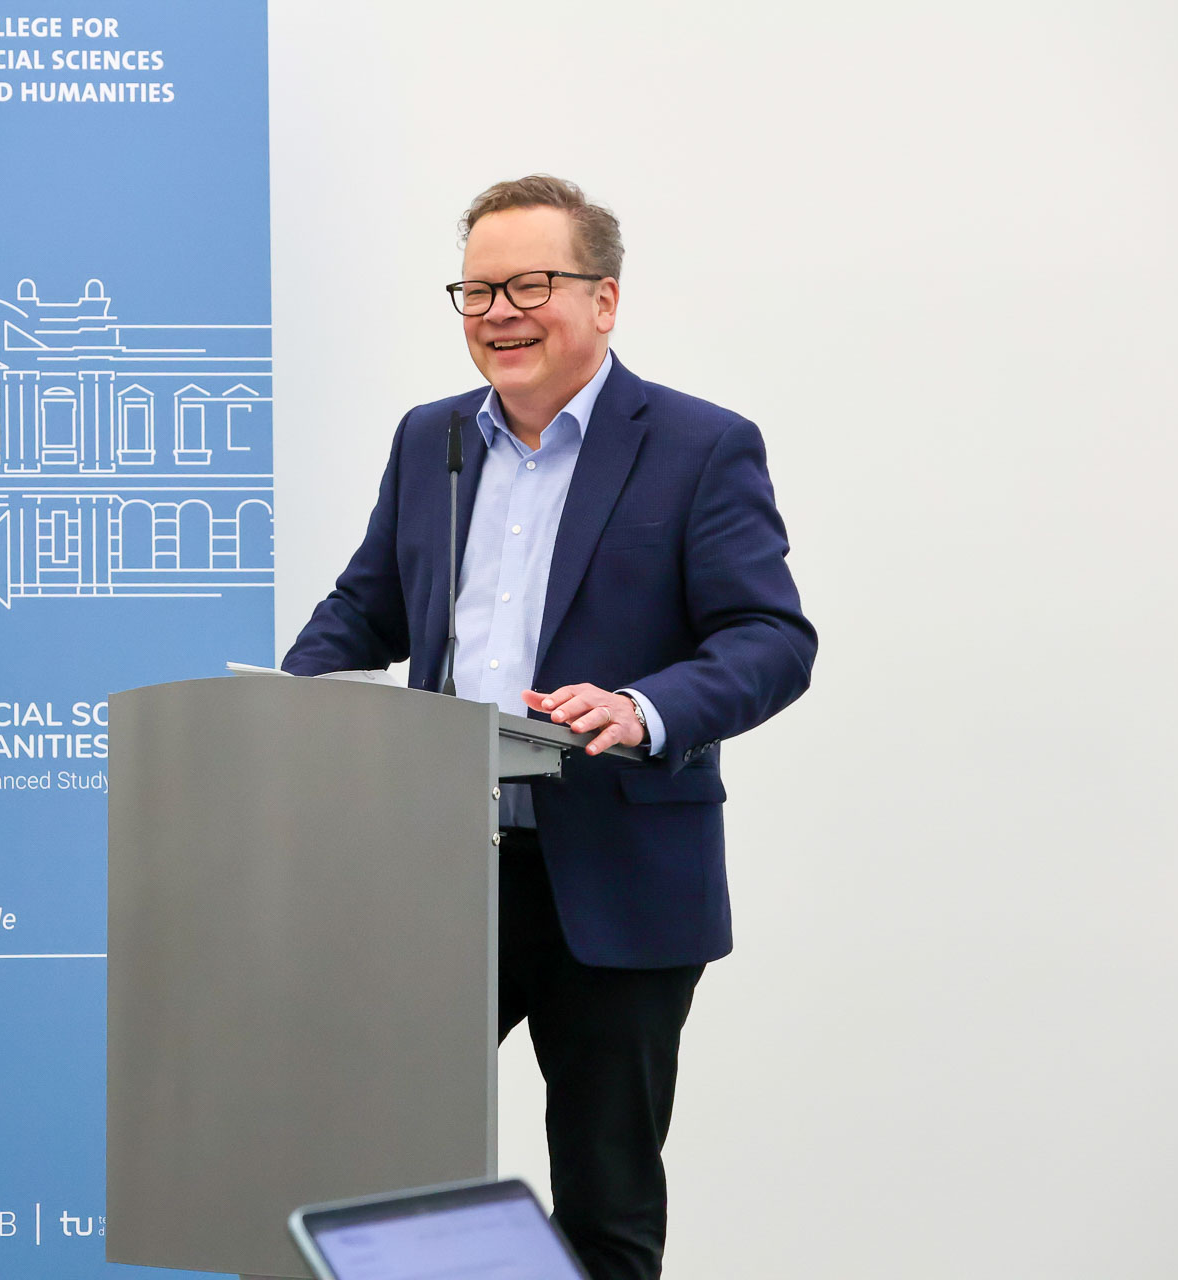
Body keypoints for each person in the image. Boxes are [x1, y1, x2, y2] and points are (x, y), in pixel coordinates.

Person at [281, 175, 817, 1280]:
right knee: (347, 1148)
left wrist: (642, 706)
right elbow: (366, 606)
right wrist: (290, 703)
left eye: (530, 283)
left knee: (605, 1201)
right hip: (445, 869)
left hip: (619, 874)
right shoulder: (432, 439)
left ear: (605, 300)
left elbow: (770, 638)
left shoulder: (699, 446)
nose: (498, 312)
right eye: (475, 289)